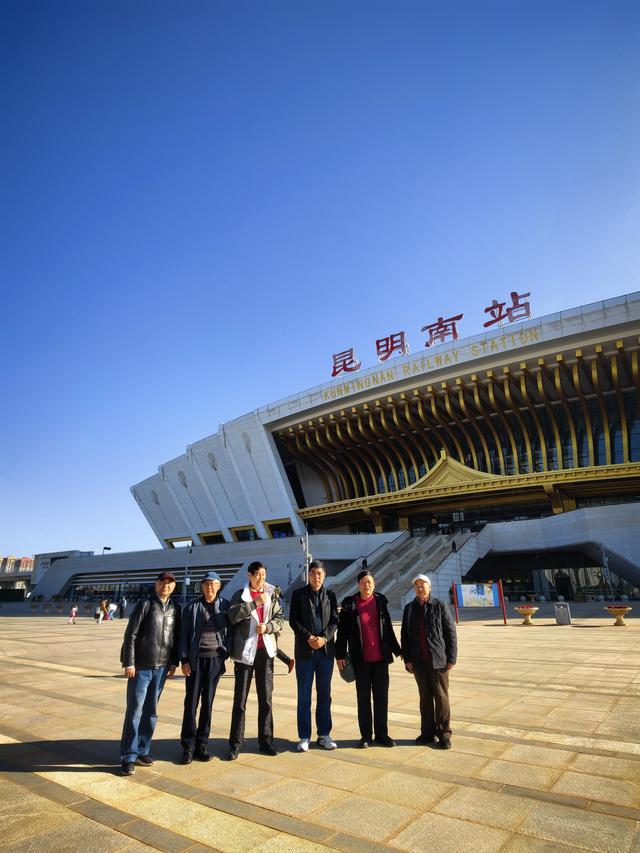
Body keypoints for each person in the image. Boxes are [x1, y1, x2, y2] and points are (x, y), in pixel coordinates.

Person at [119, 571, 181, 776]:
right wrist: (129, 662)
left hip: (162, 668)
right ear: (156, 585)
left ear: (174, 586)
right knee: (135, 710)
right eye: (163, 582)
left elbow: (175, 639)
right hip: (142, 667)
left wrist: (173, 663)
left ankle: (143, 750)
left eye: (170, 582)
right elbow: (131, 634)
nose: (166, 585)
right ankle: (128, 755)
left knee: (151, 712)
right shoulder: (145, 604)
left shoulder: (175, 609)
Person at [335, 570, 400, 748]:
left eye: (369, 582)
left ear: (374, 584)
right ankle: (366, 736)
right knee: (363, 699)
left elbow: (388, 628)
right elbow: (342, 632)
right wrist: (340, 654)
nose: (367, 585)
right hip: (360, 660)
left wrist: (398, 650)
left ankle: (382, 734)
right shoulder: (351, 605)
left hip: (380, 661)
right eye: (363, 582)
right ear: (358, 585)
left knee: (381, 698)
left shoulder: (380, 602)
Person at [227, 561, 284, 760]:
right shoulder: (239, 595)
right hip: (244, 654)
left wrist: (268, 628)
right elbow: (232, 616)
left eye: (263, 574)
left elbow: (280, 617)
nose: (261, 578)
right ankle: (235, 743)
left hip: (265, 653)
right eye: (257, 574)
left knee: (266, 700)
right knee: (240, 702)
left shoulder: (271, 593)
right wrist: (254, 603)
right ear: (249, 576)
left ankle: (266, 741)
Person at [401, 573, 457, 749]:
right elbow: (404, 635)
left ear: (429, 587)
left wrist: (451, 657)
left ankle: (444, 733)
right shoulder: (409, 609)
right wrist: (407, 658)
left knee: (441, 697)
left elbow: (450, 632)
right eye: (417, 585)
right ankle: (427, 733)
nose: (420, 588)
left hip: (438, 660)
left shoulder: (439, 606)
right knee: (424, 698)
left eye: (423, 585)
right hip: (418, 662)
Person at [178, 571, 229, 764]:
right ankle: (188, 745)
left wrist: (227, 650)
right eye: (206, 584)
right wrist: (184, 660)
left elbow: (230, 629)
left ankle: (202, 744)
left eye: (213, 584)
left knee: (208, 703)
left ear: (219, 586)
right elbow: (182, 635)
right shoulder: (192, 606)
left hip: (215, 660)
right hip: (195, 660)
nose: (209, 587)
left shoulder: (224, 605)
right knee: (191, 703)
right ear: (202, 587)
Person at [289, 560, 339, 752]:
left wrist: (324, 639)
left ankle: (324, 734)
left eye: (319, 573)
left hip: (325, 653)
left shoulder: (331, 596)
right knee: (304, 695)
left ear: (324, 575)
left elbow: (335, 621)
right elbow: (293, 620)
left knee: (324, 694)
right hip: (305, 652)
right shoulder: (298, 595)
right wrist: (309, 637)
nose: (316, 577)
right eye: (312, 573)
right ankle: (304, 736)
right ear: (308, 575)